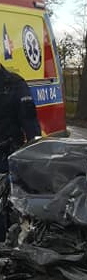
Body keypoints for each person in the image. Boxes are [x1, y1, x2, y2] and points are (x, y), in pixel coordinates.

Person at [0, 63, 41, 240]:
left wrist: (35, 154)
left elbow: (30, 124)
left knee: (6, 208)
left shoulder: (15, 85)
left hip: (6, 157)